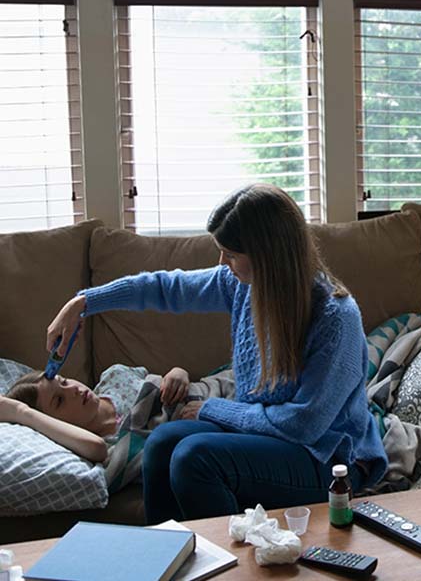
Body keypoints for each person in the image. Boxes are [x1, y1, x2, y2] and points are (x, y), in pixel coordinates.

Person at [45, 184, 388, 524]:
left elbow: (304, 425)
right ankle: (169, 561)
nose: (222, 262)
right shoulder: (239, 284)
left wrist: (213, 409)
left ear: (269, 255)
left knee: (194, 458)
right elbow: (166, 288)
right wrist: (84, 303)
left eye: (232, 254)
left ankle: (233, 564)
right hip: (269, 436)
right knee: (162, 443)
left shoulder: (335, 317)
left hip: (329, 456)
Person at [1, 365, 194, 463]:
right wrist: (21, 413)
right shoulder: (94, 444)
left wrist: (178, 372)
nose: (72, 390)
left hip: (206, 394)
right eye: (59, 400)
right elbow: (96, 449)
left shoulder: (115, 375)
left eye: (65, 381)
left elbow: (165, 379)